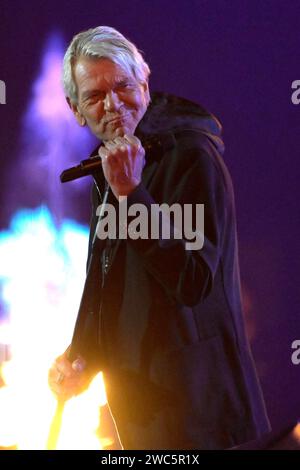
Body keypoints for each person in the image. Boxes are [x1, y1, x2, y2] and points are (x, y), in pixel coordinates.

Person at [48, 26, 270, 449]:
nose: (112, 105)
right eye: (95, 96)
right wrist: (81, 356)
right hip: (143, 421)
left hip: (205, 424)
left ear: (145, 82)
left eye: (123, 86)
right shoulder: (112, 165)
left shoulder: (191, 156)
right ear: (75, 109)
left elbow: (192, 280)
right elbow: (107, 282)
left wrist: (132, 195)